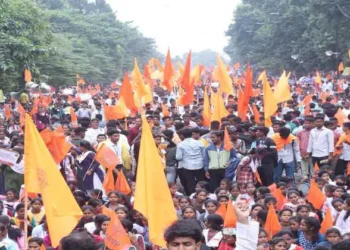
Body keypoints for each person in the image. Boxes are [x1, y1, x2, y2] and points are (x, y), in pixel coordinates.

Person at [176, 128, 206, 195]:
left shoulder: (180, 144)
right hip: (199, 165)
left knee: (190, 182)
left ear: (182, 135)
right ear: (192, 134)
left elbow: (178, 157)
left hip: (187, 166)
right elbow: (204, 155)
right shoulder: (199, 143)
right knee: (201, 182)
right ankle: (203, 194)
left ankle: (192, 196)